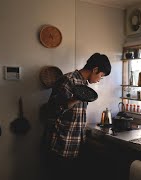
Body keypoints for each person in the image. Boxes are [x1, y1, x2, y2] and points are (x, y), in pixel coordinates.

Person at [42, 52, 111, 180]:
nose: (99, 79)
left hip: (75, 145)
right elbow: (51, 111)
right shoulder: (68, 80)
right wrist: (75, 99)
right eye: (101, 75)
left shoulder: (84, 85)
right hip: (60, 145)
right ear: (95, 69)